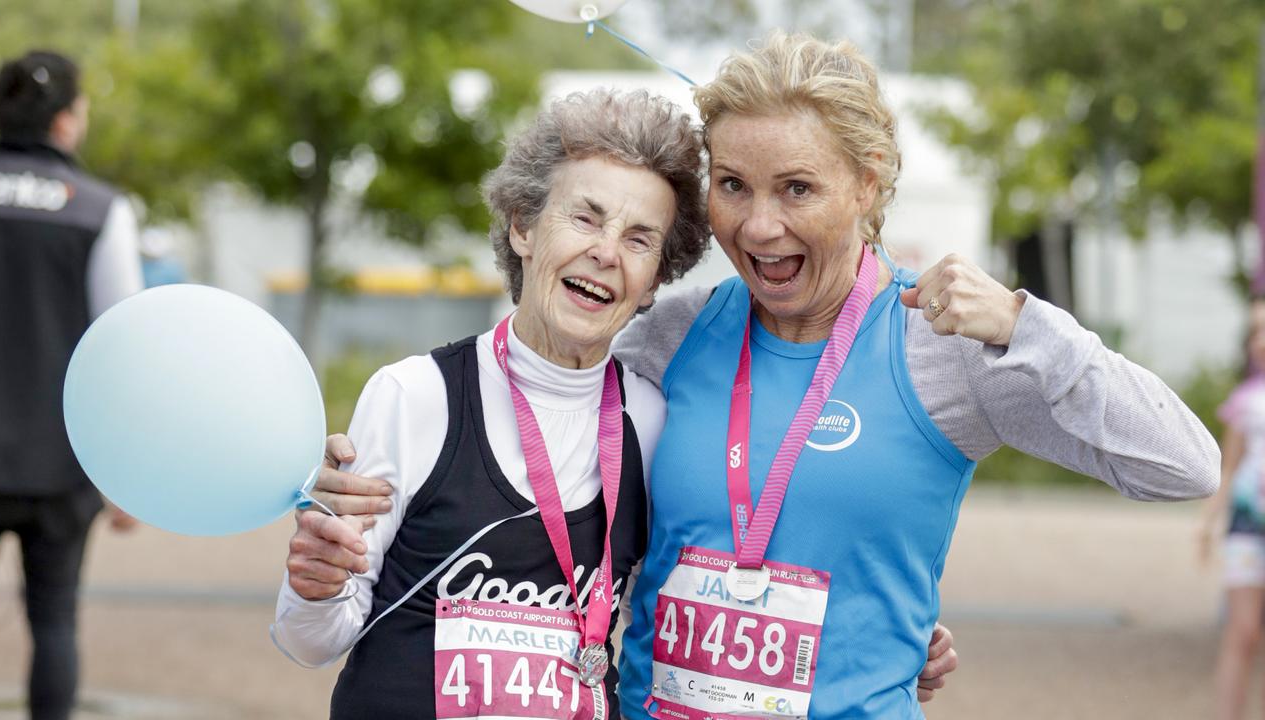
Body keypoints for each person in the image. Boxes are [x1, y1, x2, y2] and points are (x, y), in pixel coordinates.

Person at [305, 31, 1217, 718]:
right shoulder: (671, 333)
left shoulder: (947, 347)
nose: (758, 226)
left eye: (797, 189)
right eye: (733, 186)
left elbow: (1182, 466)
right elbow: (527, 414)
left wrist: (1031, 326)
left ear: (868, 184)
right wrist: (359, 484)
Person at [273, 88, 709, 718]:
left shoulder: (653, 421)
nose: (607, 252)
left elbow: (671, 620)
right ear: (523, 226)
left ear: (654, 285)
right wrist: (313, 587)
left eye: (640, 240)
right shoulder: (413, 397)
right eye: (585, 218)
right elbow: (308, 642)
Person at [0, 50, 142, 720]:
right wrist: (125, 475)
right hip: (62, 462)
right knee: (54, 621)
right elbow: (122, 341)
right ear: (65, 122)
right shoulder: (99, 210)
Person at [1199, 297, 1265, 720]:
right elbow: (1229, 465)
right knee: (1242, 633)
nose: (1259, 342)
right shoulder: (1246, 399)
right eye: (1255, 333)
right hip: (1247, 524)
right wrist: (1206, 522)